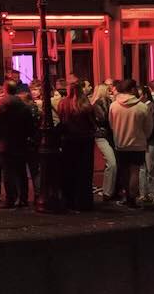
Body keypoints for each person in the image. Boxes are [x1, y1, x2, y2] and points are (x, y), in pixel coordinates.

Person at [109, 79, 154, 208]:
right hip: (137, 143)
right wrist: (143, 137)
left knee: (124, 172)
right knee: (135, 172)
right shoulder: (142, 107)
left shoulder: (114, 106)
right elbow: (148, 127)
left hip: (121, 143)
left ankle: (126, 196)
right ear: (133, 89)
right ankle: (132, 199)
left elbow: (111, 124)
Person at [0, 80, 34, 210]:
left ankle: (10, 199)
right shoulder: (23, 105)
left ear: (5, 89)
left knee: (8, 172)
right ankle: (23, 198)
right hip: (20, 142)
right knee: (21, 171)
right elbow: (30, 125)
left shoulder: (0, 104)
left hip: (4, 142)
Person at [58, 83, 95, 212]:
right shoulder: (86, 104)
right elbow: (92, 122)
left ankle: (70, 201)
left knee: (69, 171)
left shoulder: (63, 103)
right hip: (84, 140)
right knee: (84, 172)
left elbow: (62, 119)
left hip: (69, 140)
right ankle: (84, 201)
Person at [91, 84, 117, 201]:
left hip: (108, 135)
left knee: (110, 163)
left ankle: (108, 190)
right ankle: (107, 192)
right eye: (108, 90)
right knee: (112, 163)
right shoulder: (98, 104)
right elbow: (104, 119)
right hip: (102, 135)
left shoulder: (108, 102)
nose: (110, 92)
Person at [138, 85, 154, 204]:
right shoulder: (143, 107)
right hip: (145, 142)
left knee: (151, 168)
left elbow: (153, 127)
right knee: (143, 169)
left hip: (150, 142)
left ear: (145, 95)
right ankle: (144, 193)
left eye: (139, 94)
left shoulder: (151, 107)